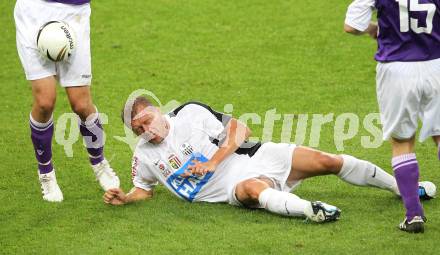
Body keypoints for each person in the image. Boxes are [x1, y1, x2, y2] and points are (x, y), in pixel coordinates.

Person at [103, 97, 434, 223]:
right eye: (138, 128)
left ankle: (405, 189)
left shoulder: (189, 113)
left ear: (158, 111)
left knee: (327, 160)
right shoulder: (143, 155)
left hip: (255, 155)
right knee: (251, 189)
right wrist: (126, 198)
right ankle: (311, 210)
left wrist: (212, 161)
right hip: (231, 186)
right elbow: (143, 189)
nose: (147, 130)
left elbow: (241, 130)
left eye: (148, 120)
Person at [344, 0, 440, 233]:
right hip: (436, 64)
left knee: (402, 141)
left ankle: (413, 215)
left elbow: (351, 25)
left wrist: (374, 29)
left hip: (397, 69)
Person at [14, 0, 120, 202]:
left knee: (81, 104)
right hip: (34, 11)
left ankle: (99, 163)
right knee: (45, 102)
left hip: (74, 13)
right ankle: (46, 173)